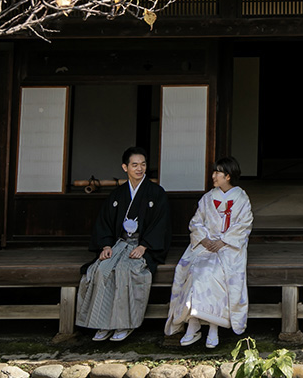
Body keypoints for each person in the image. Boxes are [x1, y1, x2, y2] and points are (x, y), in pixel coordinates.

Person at [75, 146, 171, 342]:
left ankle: (124, 324)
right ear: (124, 167)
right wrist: (106, 246)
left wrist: (144, 246)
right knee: (101, 270)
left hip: (142, 246)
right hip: (119, 244)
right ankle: (102, 323)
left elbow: (161, 223)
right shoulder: (117, 194)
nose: (139, 169)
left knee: (126, 271)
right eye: (134, 165)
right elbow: (105, 223)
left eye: (143, 164)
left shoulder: (156, 192)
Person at [163, 155, 252, 348]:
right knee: (195, 272)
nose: (213, 176)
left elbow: (244, 226)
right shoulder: (208, 198)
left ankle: (213, 327)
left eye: (217, 172)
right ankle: (193, 325)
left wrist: (223, 241)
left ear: (228, 176)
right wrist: (204, 239)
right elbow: (196, 222)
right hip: (204, 246)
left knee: (215, 274)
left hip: (229, 249)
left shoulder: (241, 198)